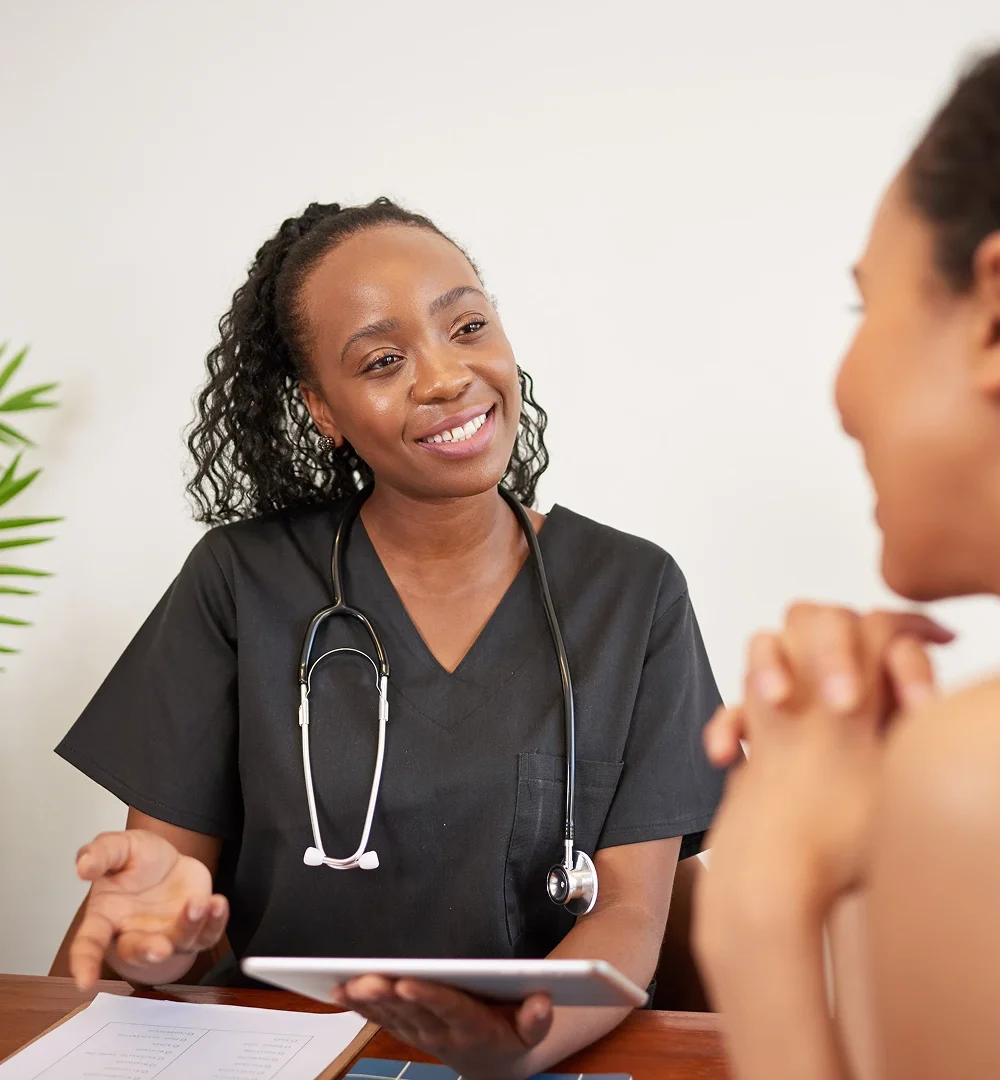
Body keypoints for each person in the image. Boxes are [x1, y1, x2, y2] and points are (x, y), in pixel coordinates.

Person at [52, 198, 724, 1079]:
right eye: (381, 359)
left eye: (469, 324)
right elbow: (156, 926)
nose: (445, 377)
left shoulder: (632, 592)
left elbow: (632, 913)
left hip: (537, 1052)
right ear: (323, 410)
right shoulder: (239, 581)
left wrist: (511, 1044)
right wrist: (154, 944)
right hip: (277, 1056)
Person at [693, 19, 1000, 1080]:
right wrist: (873, 844)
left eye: (866, 302)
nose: (842, 387)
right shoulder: (978, 767)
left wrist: (759, 908)